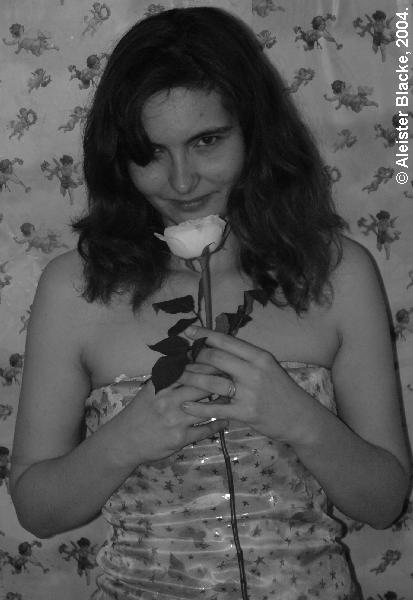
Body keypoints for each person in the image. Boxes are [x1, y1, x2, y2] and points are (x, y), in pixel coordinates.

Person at [10, 6, 411, 600]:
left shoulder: (337, 271)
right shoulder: (76, 286)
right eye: (151, 152)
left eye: (207, 141)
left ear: (255, 132)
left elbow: (383, 503)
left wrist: (299, 419)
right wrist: (126, 439)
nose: (181, 181)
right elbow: (38, 512)